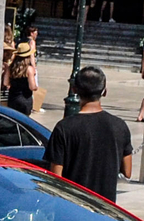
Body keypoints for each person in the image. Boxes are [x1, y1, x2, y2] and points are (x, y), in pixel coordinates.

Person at [46, 65, 133, 203]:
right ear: (104, 91)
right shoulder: (120, 126)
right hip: (106, 209)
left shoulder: (64, 128)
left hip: (73, 208)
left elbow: (56, 178)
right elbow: (127, 172)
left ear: (74, 89)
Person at [5, 24, 38, 116]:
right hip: (25, 98)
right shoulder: (29, 69)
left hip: (13, 98)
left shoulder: (10, 67)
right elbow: (32, 87)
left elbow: (5, 83)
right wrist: (36, 87)